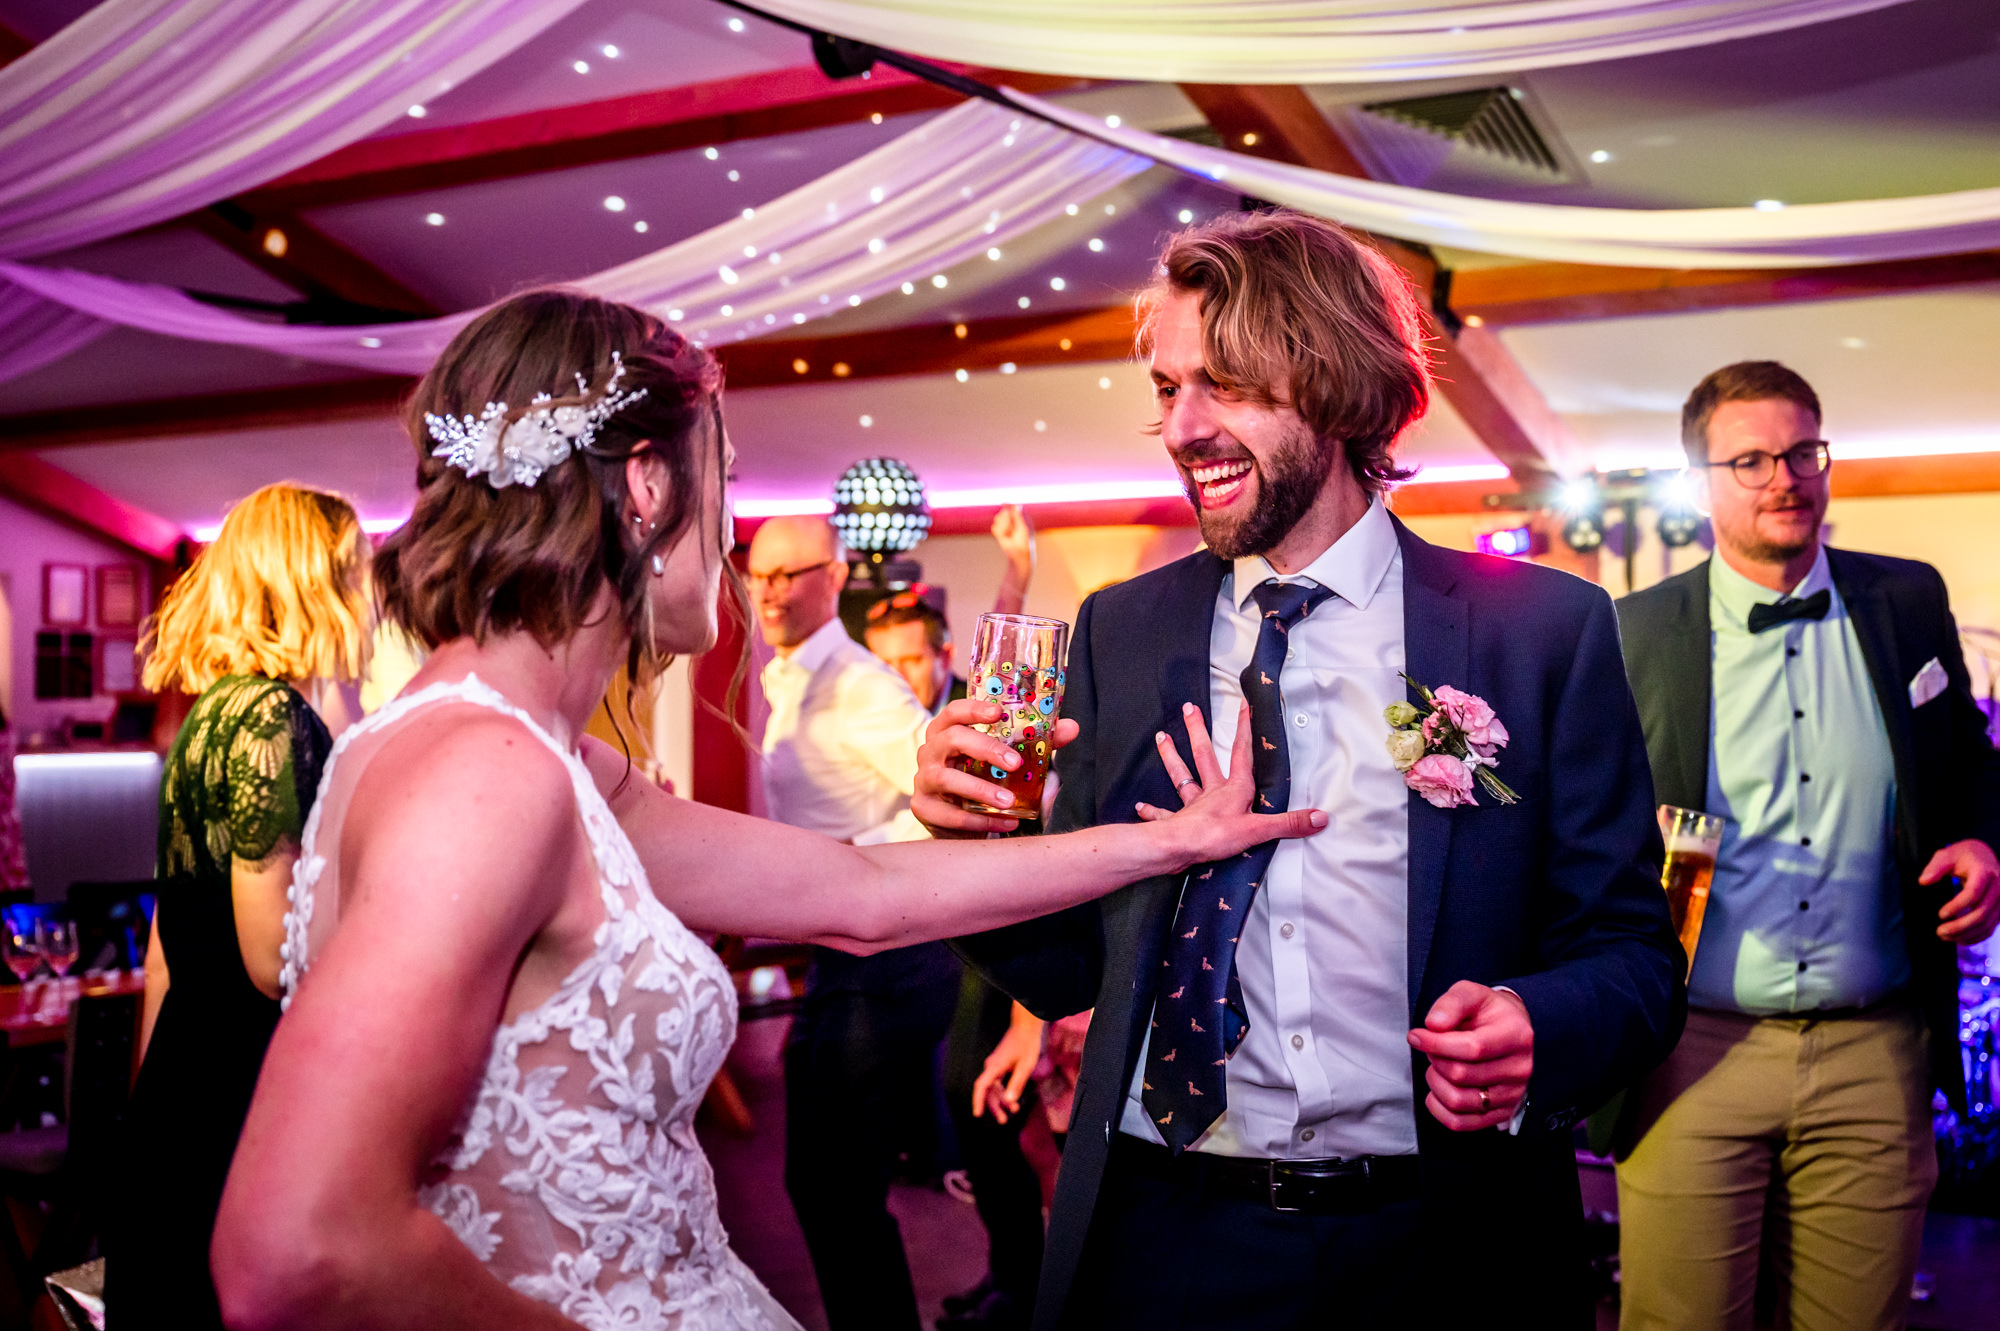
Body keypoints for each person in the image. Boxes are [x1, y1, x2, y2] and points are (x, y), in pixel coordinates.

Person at [211, 288, 1318, 1331]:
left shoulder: (536, 758)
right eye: (723, 484)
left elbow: (863, 888)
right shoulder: (482, 769)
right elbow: (293, 1248)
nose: (734, 543)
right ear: (646, 490)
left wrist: (1165, 840)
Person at [913, 209, 1685, 1331]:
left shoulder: (1535, 632)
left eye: (1220, 384)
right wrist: (974, 848)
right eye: (1166, 389)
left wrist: (1534, 1016)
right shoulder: (1119, 632)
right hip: (1164, 1237)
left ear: (1334, 381)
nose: (1180, 428)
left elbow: (1632, 957)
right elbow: (1070, 961)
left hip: (1439, 1241)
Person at [1611, 361, 2000, 1330]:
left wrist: (1983, 842)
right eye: (1747, 459)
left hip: (1874, 1049)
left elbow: (1966, 764)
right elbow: (1580, 824)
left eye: (1799, 451)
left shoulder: (1905, 599)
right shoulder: (1633, 628)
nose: (1781, 476)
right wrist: (1636, 849)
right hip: (1689, 1047)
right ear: (1697, 478)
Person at [108, 482, 371, 1327]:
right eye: (358, 571)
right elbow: (270, 956)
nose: (368, 597)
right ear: (313, 578)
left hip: (183, 1077)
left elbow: (163, 949)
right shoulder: (269, 716)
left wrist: (144, 1103)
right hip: (238, 1085)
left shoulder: (207, 717)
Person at [863, 520, 1048, 1331]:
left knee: (975, 1097)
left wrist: (1017, 570)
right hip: (912, 933)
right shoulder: (867, 717)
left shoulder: (977, 714)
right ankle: (1010, 1269)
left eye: (910, 658)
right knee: (945, 1100)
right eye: (884, 660)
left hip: (984, 925)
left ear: (941, 659)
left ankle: (1025, 1281)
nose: (896, 673)